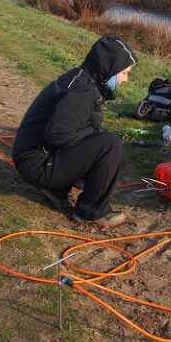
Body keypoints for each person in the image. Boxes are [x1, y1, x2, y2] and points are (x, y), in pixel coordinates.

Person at [12, 35, 138, 227]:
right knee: (110, 145)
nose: (126, 80)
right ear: (109, 69)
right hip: (36, 163)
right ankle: (91, 212)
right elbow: (58, 135)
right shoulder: (82, 91)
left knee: (113, 151)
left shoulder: (83, 79)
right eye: (124, 73)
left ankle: (57, 189)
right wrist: (94, 133)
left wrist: (94, 132)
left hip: (37, 157)